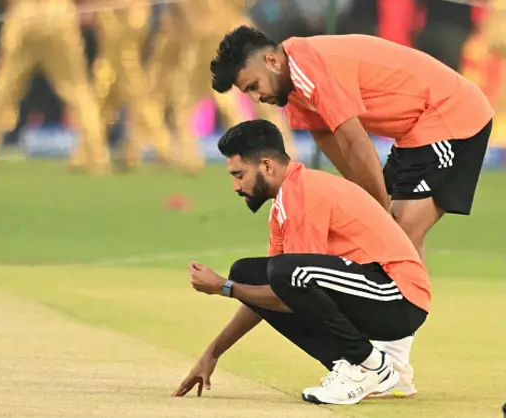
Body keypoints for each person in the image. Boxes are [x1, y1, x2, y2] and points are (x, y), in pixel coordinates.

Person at [173, 120, 430, 405]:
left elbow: (288, 290)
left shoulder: (305, 193)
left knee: (283, 273)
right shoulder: (285, 201)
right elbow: (273, 290)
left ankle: (369, 367)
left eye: (239, 175)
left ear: (267, 166)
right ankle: (368, 367)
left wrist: (224, 288)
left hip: (399, 298)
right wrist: (212, 353)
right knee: (248, 273)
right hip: (371, 292)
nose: (236, 186)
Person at [209, 25, 494, 263]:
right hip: (414, 131)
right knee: (387, 239)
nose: (257, 98)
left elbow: (356, 142)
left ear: (272, 61)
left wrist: (378, 213)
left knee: (392, 240)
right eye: (249, 92)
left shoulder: (308, 66)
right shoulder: (290, 84)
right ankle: (401, 324)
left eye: (255, 86)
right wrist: (365, 204)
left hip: (450, 114)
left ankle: (396, 325)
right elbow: (327, 137)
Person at [0, 0, 110, 174]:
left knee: (1, 90)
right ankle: (97, 156)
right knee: (78, 90)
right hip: (59, 15)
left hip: (23, 15)